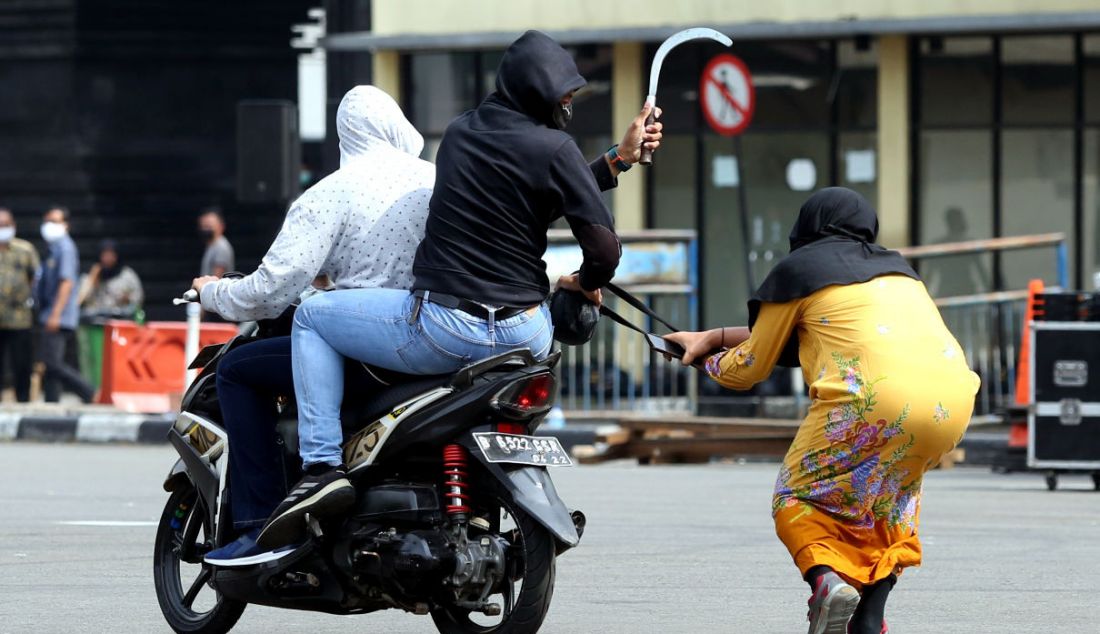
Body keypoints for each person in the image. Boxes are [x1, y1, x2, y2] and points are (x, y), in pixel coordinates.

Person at [258, 29, 663, 549]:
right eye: (563, 91)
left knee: (314, 316)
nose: (568, 100)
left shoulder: (461, 136)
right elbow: (598, 247)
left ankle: (320, 469)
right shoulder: (555, 149)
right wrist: (584, 282)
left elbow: (524, 195)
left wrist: (617, 158)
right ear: (533, 91)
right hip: (527, 336)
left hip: (445, 330)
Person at [666, 188, 979, 634]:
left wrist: (704, 359)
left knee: (794, 496)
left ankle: (826, 580)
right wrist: (714, 336)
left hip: (870, 401)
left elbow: (750, 367)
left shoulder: (800, 270)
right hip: (953, 400)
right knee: (886, 505)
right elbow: (804, 337)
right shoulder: (900, 272)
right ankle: (869, 619)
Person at [193, 86, 436, 564]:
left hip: (363, 350)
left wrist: (212, 291)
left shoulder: (332, 192)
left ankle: (260, 522)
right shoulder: (435, 180)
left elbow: (271, 290)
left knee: (237, 370)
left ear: (345, 134)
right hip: (435, 338)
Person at [36, 206, 95, 403]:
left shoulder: (66, 248)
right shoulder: (53, 249)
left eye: (55, 221)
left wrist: (55, 314)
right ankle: (51, 402)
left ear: (66, 225)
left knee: (52, 363)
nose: (49, 226)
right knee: (52, 363)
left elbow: (67, 283)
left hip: (58, 315)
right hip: (51, 313)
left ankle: (88, 391)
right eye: (48, 221)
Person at [0, 208, 40, 402]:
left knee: (21, 363)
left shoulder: (25, 250)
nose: (2, 229)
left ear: (13, 226)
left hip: (19, 317)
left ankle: (23, 400)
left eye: (5, 225)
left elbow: (35, 277)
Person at [78, 239, 144, 319]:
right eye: (105, 255)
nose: (108, 259)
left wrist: (127, 300)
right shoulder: (90, 275)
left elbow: (137, 303)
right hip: (94, 324)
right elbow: (78, 302)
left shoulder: (127, 276)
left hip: (120, 322)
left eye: (111, 255)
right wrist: (91, 281)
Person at [198, 207, 234, 278]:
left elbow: (216, 277)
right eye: (203, 226)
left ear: (221, 226)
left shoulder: (221, 247)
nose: (205, 230)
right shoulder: (212, 245)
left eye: (209, 226)